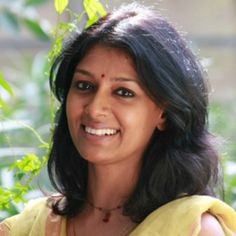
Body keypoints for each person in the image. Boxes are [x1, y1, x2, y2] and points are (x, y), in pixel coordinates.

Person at [1, 3, 236, 236]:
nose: (94, 109)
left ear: (164, 112)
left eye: (123, 92)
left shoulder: (193, 230)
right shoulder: (29, 228)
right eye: (84, 86)